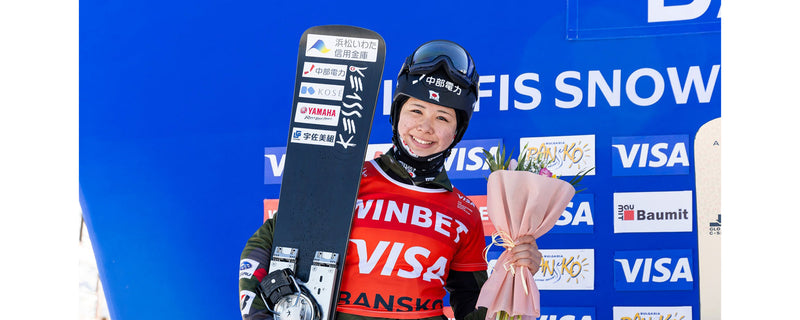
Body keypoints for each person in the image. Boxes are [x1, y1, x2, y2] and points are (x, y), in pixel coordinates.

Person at [239, 40, 542, 320]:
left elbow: (472, 304)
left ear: (457, 132)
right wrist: (260, 314)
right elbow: (263, 245)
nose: (425, 127)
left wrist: (517, 278)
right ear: (396, 115)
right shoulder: (345, 181)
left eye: (442, 117)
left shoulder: (464, 213)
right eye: (416, 110)